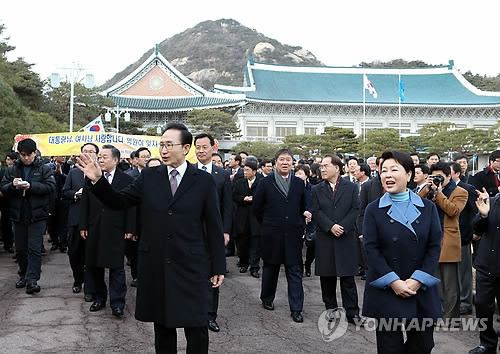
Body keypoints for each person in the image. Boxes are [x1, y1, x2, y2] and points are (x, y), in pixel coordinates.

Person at [76, 122, 225, 354]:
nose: (163, 150)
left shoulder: (203, 180)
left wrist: (218, 265)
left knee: (196, 326)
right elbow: (119, 202)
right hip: (157, 261)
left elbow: (214, 225)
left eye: (169, 145)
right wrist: (98, 181)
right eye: (161, 145)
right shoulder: (149, 177)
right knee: (163, 325)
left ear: (186, 148)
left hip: (192, 264)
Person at [362, 151, 442, 353]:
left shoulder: (428, 207)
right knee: (390, 348)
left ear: (409, 174)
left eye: (394, 170)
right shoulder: (373, 209)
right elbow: (371, 248)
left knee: (423, 345)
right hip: (388, 288)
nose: (387, 175)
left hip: (420, 288)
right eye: (383, 170)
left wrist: (418, 280)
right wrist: (394, 282)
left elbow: (434, 246)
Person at [79, 145, 136, 317]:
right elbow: (85, 204)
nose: (101, 160)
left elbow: (131, 207)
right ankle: (99, 298)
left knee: (116, 267)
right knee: (95, 265)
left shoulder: (126, 180)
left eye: (105, 157)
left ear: (116, 160)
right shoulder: (91, 178)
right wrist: (83, 225)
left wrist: (130, 228)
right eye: (100, 157)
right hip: (95, 227)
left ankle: (117, 303)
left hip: (116, 228)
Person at [253, 148, 308, 323]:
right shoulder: (265, 182)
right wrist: (269, 223)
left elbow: (304, 206)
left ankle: (297, 308)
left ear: (293, 163)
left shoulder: (300, 183)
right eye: (282, 159)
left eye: (288, 160)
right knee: (271, 267)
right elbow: (257, 208)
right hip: (271, 233)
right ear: (276, 162)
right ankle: (267, 298)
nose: (285, 162)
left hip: (293, 233)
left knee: (294, 270)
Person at [0, 138, 56, 294]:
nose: (25, 158)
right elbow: (3, 187)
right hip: (18, 215)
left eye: (28, 155)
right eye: (22, 155)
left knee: (34, 249)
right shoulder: (12, 169)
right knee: (21, 250)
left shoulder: (43, 168)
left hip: (37, 215)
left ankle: (32, 280)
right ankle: (23, 275)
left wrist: (31, 186)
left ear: (35, 153)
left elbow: (51, 187)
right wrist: (12, 185)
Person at [312, 154, 362, 323]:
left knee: (348, 278)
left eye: (326, 166)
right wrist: (330, 226)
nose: (322, 169)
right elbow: (316, 211)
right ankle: (330, 309)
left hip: (345, 236)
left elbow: (355, 209)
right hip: (325, 237)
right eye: (321, 167)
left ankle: (353, 313)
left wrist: (342, 226)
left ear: (337, 168)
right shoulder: (316, 189)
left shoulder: (351, 187)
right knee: (327, 277)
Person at [419, 161, 467, 322]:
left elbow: (453, 210)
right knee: (435, 281)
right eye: (434, 176)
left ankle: (452, 318)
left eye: (440, 176)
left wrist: (439, 193)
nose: (437, 179)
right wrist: (427, 188)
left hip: (448, 239)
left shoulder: (460, 192)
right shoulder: (429, 190)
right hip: (431, 239)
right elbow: (416, 204)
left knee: (450, 283)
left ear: (449, 175)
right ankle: (437, 315)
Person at [194, 133, 232, 333]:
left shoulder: (222, 175)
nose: (200, 151)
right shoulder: (188, 171)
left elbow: (227, 206)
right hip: (191, 230)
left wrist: (226, 231)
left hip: (214, 232)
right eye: (197, 147)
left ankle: (210, 315)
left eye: (204, 147)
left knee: (213, 273)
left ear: (213, 148)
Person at [63, 143, 98, 300]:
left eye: (91, 152)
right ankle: (78, 279)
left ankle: (91, 287)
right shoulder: (74, 173)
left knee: (92, 254)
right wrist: (76, 194)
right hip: (76, 218)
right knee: (74, 252)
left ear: (97, 154)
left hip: (94, 220)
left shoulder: (101, 173)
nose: (88, 154)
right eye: (85, 151)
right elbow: (64, 193)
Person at [469, 189, 500, 354]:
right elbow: (477, 230)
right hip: (485, 265)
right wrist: (483, 216)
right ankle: (487, 344)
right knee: (482, 306)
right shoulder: (491, 202)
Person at [450, 162, 478, 316]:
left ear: (455, 174)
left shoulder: (467, 189)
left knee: (464, 272)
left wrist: (475, 232)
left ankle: (466, 302)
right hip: (447, 237)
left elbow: (477, 211)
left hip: (463, 236)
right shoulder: (443, 191)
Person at [232, 159, 262, 277]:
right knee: (242, 243)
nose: (245, 173)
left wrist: (254, 199)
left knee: (255, 244)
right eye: (244, 170)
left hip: (256, 218)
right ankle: (244, 263)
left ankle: (254, 268)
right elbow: (234, 195)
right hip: (242, 217)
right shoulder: (239, 182)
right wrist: (243, 198)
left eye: (248, 170)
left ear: (254, 171)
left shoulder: (261, 182)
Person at [294, 164, 315, 277]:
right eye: (296, 173)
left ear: (307, 175)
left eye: (300, 173)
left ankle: (308, 264)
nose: (297, 176)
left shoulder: (313, 188)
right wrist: (303, 212)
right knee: (297, 245)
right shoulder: (292, 189)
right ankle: (299, 267)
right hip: (298, 219)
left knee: (312, 245)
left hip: (312, 219)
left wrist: (310, 213)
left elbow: (316, 203)